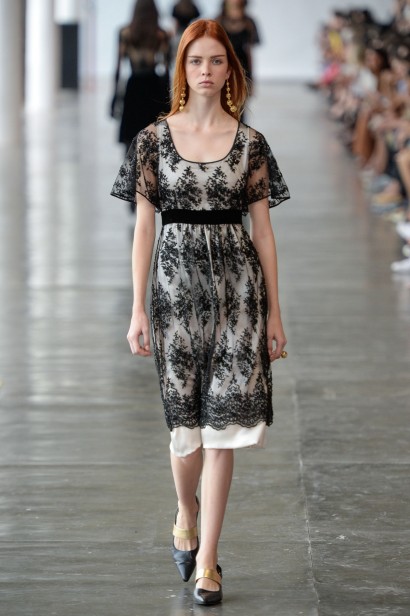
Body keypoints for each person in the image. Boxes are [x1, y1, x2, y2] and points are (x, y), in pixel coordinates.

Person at [111, 18, 289, 606]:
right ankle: (185, 513)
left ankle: (209, 560)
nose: (206, 71)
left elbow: (263, 234)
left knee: (223, 432)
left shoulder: (251, 143)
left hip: (239, 295)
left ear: (230, 69)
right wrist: (137, 309)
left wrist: (275, 313)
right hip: (174, 297)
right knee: (185, 432)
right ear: (181, 68)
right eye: (195, 61)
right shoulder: (152, 141)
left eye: (216, 60)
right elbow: (143, 229)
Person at [110, 0, 171, 212]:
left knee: (131, 142)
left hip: (134, 88)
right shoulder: (161, 35)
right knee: (153, 142)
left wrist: (114, 98)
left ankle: (132, 192)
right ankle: (149, 191)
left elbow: (118, 68)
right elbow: (166, 69)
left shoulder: (126, 33)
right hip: (154, 89)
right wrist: (169, 100)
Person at [216, 0, 260, 89]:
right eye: (231, 6)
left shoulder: (249, 23)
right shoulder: (218, 22)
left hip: (242, 65)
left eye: (238, 6)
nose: (234, 9)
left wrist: (251, 79)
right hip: (223, 62)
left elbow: (249, 52)